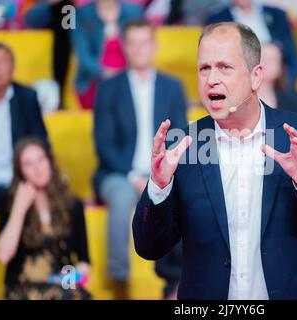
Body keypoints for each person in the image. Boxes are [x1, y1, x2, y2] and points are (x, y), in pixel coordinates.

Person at [132, 22, 297, 300]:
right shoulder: (183, 146)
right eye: (204, 68)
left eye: (224, 67)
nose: (211, 79)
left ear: (255, 76)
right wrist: (158, 188)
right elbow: (148, 248)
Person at [93, 19, 187, 299]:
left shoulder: (172, 86)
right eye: (132, 43)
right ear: (124, 46)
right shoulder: (109, 88)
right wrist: (135, 177)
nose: (139, 49)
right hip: (118, 173)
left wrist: (159, 175)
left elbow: (179, 135)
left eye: (145, 42)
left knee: (183, 198)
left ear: (155, 45)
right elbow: (104, 143)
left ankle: (174, 284)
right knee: (122, 199)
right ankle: (120, 281)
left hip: (162, 171)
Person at [0, 137, 91, 300]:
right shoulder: (9, 203)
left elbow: (84, 261)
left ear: (49, 162)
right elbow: (3, 255)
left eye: (41, 159)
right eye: (28, 164)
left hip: (62, 289)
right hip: (22, 290)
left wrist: (69, 280)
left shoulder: (73, 205)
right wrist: (19, 208)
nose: (37, 168)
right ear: (20, 171)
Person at [0, 42, 48, 215]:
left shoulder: (27, 97)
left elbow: (40, 141)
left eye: (2, 62)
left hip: (20, 178)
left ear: (13, 66)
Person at [205, 0, 297, 88]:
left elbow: (293, 60)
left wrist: (283, 84)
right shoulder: (216, 21)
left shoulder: (278, 15)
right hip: (238, 86)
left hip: (278, 85)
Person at [70, 0, 142, 109]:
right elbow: (84, 57)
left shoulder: (134, 11)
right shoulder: (81, 15)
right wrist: (109, 74)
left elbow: (141, 47)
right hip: (94, 82)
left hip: (130, 81)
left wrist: (126, 77)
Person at [258, 42, 297, 113]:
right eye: (261, 57)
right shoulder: (238, 99)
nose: (265, 62)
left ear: (280, 68)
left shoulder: (292, 103)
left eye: (272, 59)